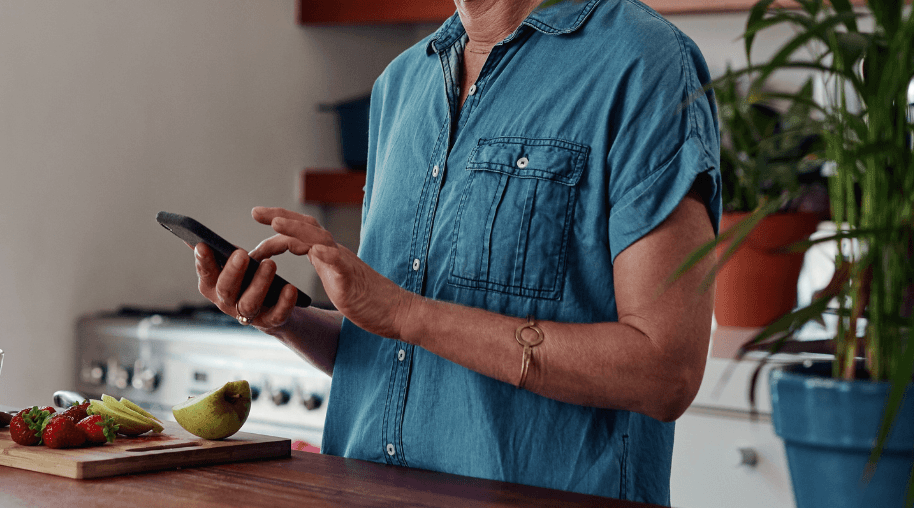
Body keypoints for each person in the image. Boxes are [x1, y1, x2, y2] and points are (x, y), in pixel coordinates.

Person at [190, 0, 719, 504]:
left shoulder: (643, 62)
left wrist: (403, 312)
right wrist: (284, 318)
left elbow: (665, 372)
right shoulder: (401, 83)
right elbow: (397, 355)